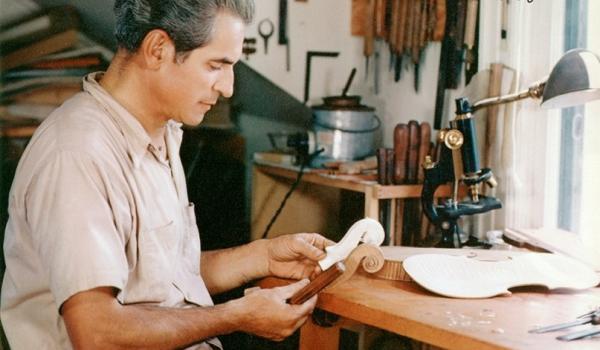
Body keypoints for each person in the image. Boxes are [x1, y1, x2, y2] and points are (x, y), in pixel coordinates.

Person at [0, 1, 332, 349]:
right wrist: (235, 315)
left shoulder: (159, 131)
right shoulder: (77, 153)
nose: (228, 88)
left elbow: (164, 280)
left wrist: (262, 256)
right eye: (216, 65)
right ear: (158, 49)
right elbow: (96, 335)